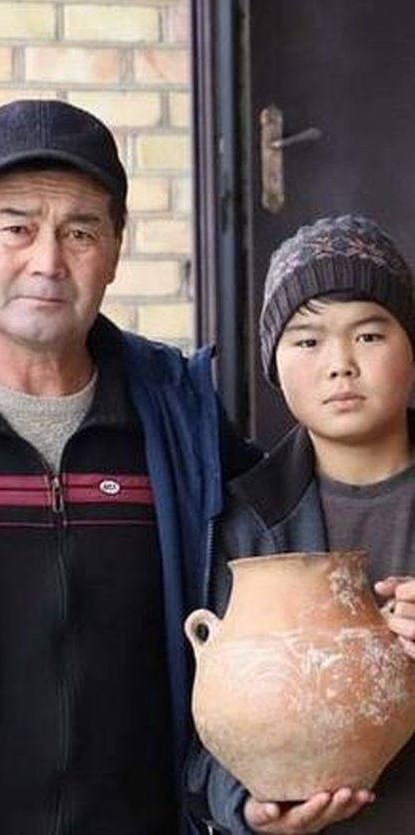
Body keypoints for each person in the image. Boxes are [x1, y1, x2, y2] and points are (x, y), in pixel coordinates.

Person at [0, 98, 262, 835]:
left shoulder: (180, 417)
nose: (48, 261)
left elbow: (296, 542)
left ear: (116, 246)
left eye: (79, 231)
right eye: (16, 226)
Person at [187, 215, 415, 835]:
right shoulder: (241, 521)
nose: (340, 364)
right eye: (308, 341)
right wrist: (245, 807)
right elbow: (202, 725)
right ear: (274, 363)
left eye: (369, 336)